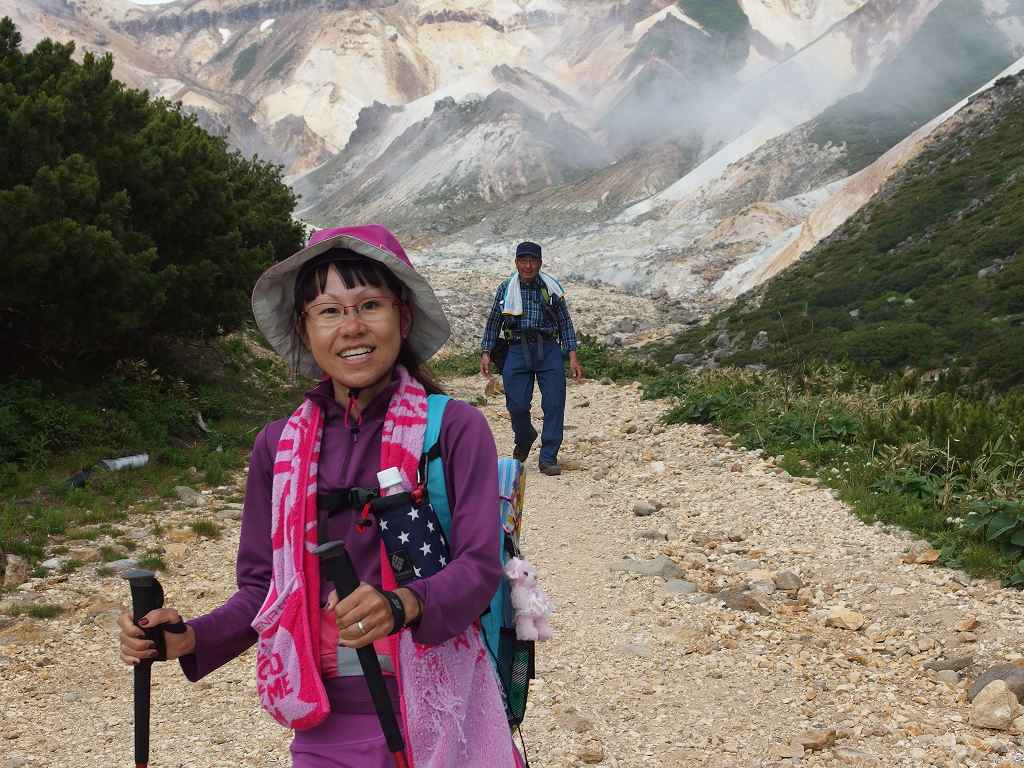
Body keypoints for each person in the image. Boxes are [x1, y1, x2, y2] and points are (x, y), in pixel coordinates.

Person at [118, 225, 522, 767]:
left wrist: (401, 603)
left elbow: (479, 567)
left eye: (369, 305)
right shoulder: (276, 446)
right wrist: (189, 637)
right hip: (327, 722)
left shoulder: (453, 429)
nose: (352, 327)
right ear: (305, 329)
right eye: (328, 311)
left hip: (445, 707)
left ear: (402, 317)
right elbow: (264, 590)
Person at [480, 241, 583, 476]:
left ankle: (548, 457)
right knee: (516, 405)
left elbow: (565, 322)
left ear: (540, 263)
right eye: (523, 261)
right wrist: (486, 352)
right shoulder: (506, 288)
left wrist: (572, 355)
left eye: (532, 261)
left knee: (554, 403)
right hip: (516, 349)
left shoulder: (551, 288)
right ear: (516, 262)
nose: (528, 266)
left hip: (548, 349)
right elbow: (494, 321)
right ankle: (525, 435)